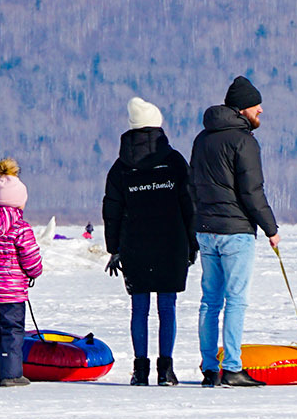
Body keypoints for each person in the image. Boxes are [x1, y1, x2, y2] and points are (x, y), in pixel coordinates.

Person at [189, 76, 280, 388]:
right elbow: (252, 191)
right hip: (236, 231)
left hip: (206, 230)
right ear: (243, 109)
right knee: (236, 300)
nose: (261, 111)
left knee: (210, 300)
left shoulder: (202, 139)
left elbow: (193, 187)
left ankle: (208, 367)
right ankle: (231, 367)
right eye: (257, 106)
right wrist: (271, 228)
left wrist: (195, 225)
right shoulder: (244, 142)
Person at [103, 96, 196, 386]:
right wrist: (192, 243)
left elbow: (112, 211)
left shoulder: (120, 167)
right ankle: (166, 370)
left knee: (139, 309)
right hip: (172, 243)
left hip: (134, 245)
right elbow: (189, 204)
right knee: (167, 307)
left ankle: (140, 370)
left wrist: (113, 248)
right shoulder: (174, 162)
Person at [0, 157, 42, 387]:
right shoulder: (20, 227)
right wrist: (34, 271)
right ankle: (11, 375)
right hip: (12, 289)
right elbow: (30, 256)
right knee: (13, 332)